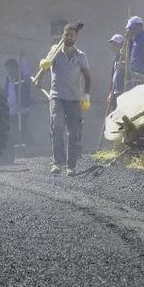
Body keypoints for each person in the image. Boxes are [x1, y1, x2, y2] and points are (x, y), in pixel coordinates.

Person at [39, 23, 92, 176]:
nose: (69, 37)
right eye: (66, 35)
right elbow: (45, 67)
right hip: (57, 96)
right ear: (62, 36)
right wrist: (43, 71)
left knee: (73, 133)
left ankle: (71, 166)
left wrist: (86, 96)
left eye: (72, 35)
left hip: (74, 99)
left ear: (76, 37)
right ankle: (57, 163)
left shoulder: (81, 55)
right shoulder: (55, 52)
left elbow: (87, 77)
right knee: (57, 127)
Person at [116, 16, 144, 94]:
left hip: (142, 75)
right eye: (130, 29)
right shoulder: (135, 39)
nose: (131, 31)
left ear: (139, 27)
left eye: (132, 29)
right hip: (135, 74)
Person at [4, 58, 33, 146]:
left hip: (22, 107)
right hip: (11, 108)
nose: (9, 70)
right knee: (13, 126)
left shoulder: (22, 76)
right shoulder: (7, 79)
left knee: (22, 125)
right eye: (7, 68)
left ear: (15, 67)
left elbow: (27, 75)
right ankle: (16, 143)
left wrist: (23, 59)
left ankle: (26, 143)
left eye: (10, 68)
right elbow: (6, 92)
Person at [106, 33, 125, 113]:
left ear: (120, 44)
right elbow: (112, 76)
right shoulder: (116, 57)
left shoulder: (126, 56)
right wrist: (110, 92)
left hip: (122, 90)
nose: (113, 46)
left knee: (121, 111)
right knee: (114, 112)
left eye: (114, 44)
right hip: (115, 90)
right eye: (112, 44)